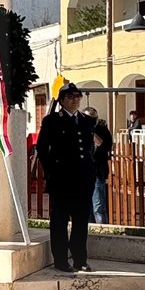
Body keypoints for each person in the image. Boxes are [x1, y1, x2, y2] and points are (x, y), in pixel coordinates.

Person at [34, 80, 99, 272]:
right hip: (61, 180)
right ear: (61, 100)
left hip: (83, 180)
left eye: (77, 97)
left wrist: (90, 170)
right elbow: (42, 149)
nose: (75, 100)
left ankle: (80, 259)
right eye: (70, 97)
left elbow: (89, 148)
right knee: (60, 221)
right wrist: (52, 172)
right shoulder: (52, 121)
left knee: (80, 222)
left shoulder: (87, 121)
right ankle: (61, 260)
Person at [90, 112, 113, 225]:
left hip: (97, 172)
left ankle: (102, 229)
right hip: (82, 174)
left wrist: (92, 132)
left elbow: (105, 146)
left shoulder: (102, 130)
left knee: (98, 206)